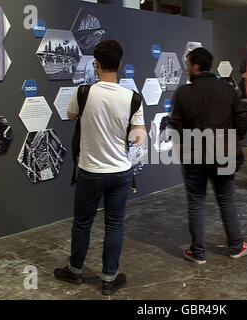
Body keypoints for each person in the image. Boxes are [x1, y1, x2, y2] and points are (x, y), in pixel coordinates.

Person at [54, 40, 146, 296]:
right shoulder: (133, 99)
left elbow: (71, 116)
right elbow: (139, 137)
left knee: (82, 223)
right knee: (114, 224)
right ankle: (109, 278)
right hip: (120, 171)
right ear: (119, 65)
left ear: (96, 64)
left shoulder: (83, 93)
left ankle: (75, 271)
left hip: (90, 170)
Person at [169, 47, 247, 264]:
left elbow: (176, 124)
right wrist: (234, 140)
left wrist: (180, 144)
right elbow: (241, 119)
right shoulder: (227, 90)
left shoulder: (183, 92)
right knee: (226, 200)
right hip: (223, 153)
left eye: (187, 64)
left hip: (193, 154)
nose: (186, 68)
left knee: (196, 202)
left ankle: (198, 253)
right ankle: (236, 246)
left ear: (196, 66)